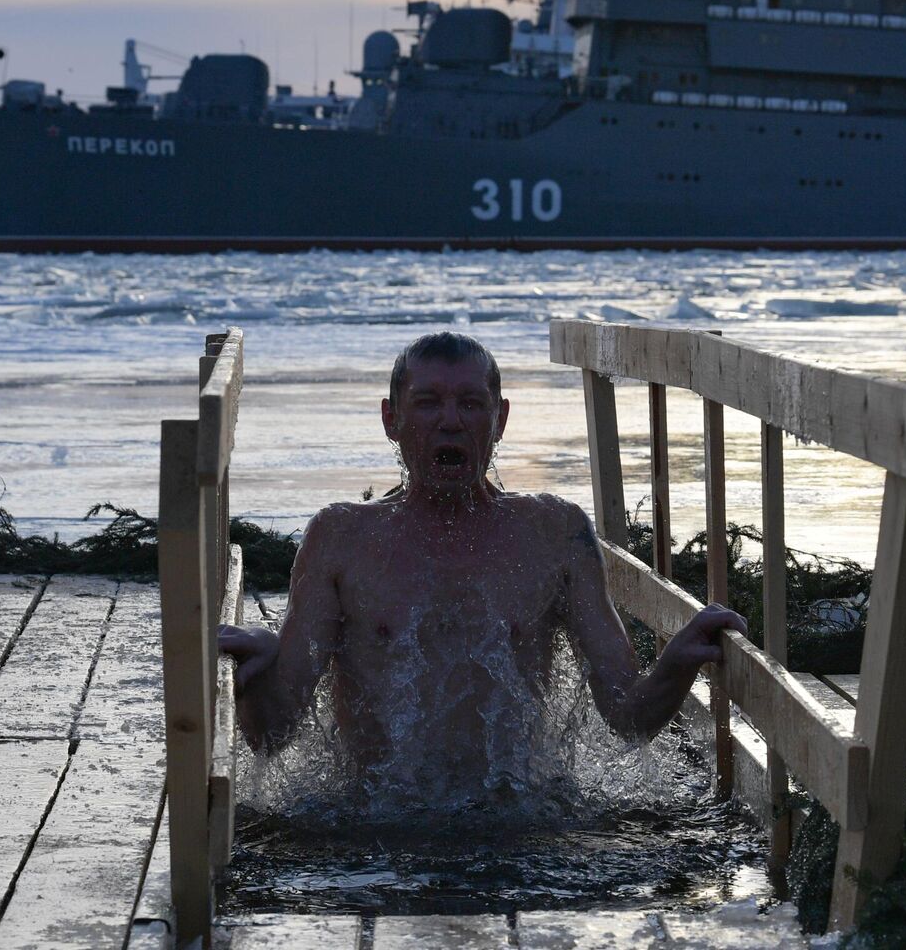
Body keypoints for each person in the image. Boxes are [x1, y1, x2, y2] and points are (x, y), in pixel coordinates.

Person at [216, 332, 746, 791]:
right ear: (391, 419)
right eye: (428, 403)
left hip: (513, 822)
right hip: (377, 829)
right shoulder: (342, 538)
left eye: (471, 403)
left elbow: (628, 715)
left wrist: (679, 661)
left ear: (501, 419)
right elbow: (272, 735)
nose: (450, 422)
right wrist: (257, 669)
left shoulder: (554, 534)